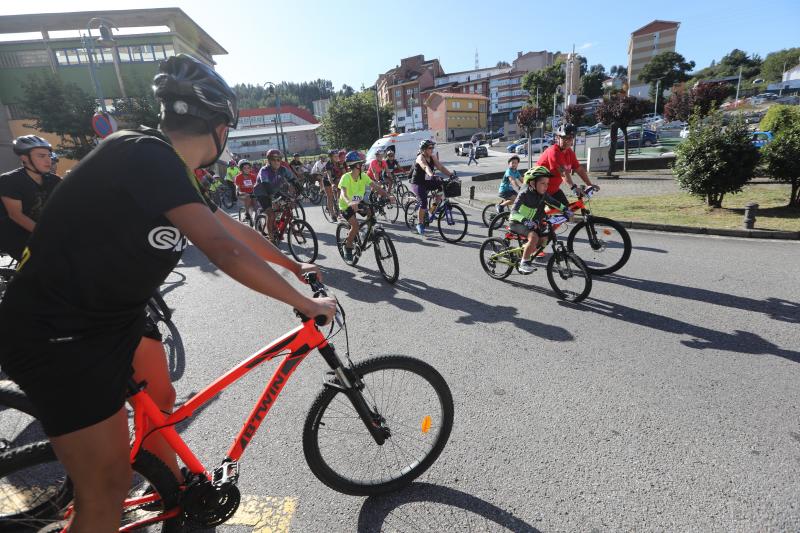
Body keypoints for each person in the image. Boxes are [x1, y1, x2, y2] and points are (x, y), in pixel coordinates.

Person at [0, 54, 336, 533]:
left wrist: (294, 264)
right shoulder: (146, 154)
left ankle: (173, 490)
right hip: (60, 331)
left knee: (160, 395)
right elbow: (222, 249)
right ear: (222, 128)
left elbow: (228, 227)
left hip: (114, 315)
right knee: (107, 490)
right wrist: (306, 304)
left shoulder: (163, 165)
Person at [0, 135, 62, 261]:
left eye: (49, 156)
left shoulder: (54, 180)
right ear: (24, 158)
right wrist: (46, 235)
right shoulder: (10, 181)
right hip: (17, 236)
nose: (48, 160)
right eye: (41, 156)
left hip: (44, 233)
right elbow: (16, 215)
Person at [509, 166, 570, 273]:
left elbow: (554, 202)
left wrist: (565, 209)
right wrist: (525, 221)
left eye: (547, 183)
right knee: (534, 237)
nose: (546, 186)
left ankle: (526, 249)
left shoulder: (542, 194)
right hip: (517, 222)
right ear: (532, 183)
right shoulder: (523, 194)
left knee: (546, 236)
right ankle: (524, 263)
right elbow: (513, 212)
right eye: (543, 183)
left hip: (532, 223)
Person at [536, 123, 597, 207]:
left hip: (553, 190)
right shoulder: (553, 152)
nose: (568, 140)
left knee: (568, 212)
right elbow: (563, 172)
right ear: (558, 138)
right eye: (565, 138)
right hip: (538, 191)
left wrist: (589, 184)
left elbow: (579, 169)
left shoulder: (569, 152)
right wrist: (573, 187)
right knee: (541, 218)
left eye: (571, 138)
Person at [410, 139, 454, 237]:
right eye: (430, 148)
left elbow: (441, 167)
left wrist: (451, 175)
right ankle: (420, 223)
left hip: (427, 181)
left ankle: (432, 210)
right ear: (424, 149)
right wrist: (431, 174)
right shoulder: (420, 158)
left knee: (442, 187)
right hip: (417, 183)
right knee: (424, 202)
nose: (432, 149)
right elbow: (425, 167)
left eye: (432, 147)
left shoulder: (432, 157)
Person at [254, 149, 297, 241]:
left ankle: (276, 225)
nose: (277, 162)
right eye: (273, 159)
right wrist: (276, 195)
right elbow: (265, 184)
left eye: (278, 159)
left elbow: (292, 179)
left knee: (285, 206)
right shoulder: (264, 170)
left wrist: (300, 189)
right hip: (262, 192)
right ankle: (271, 238)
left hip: (275, 191)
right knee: (271, 214)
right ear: (269, 160)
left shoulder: (283, 169)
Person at [338, 151, 372, 262]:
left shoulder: (363, 176)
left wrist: (387, 195)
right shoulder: (346, 177)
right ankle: (348, 246)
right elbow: (343, 192)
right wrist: (349, 202)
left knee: (371, 212)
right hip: (346, 206)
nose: (363, 165)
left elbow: (374, 185)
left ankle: (366, 233)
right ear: (356, 165)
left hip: (358, 202)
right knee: (355, 226)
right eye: (361, 164)